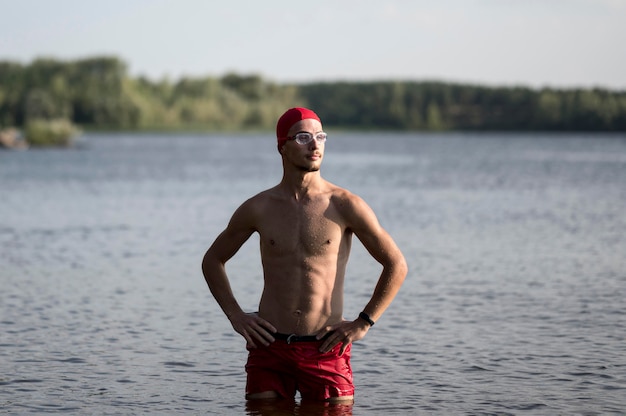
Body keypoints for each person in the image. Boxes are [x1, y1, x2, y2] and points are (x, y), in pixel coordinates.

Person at [201, 107, 407, 403]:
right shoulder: (259, 207)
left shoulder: (345, 204)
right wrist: (235, 315)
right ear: (281, 146)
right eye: (303, 137)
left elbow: (396, 264)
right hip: (269, 347)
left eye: (320, 136)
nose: (315, 144)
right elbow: (213, 260)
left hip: (325, 347)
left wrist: (364, 322)